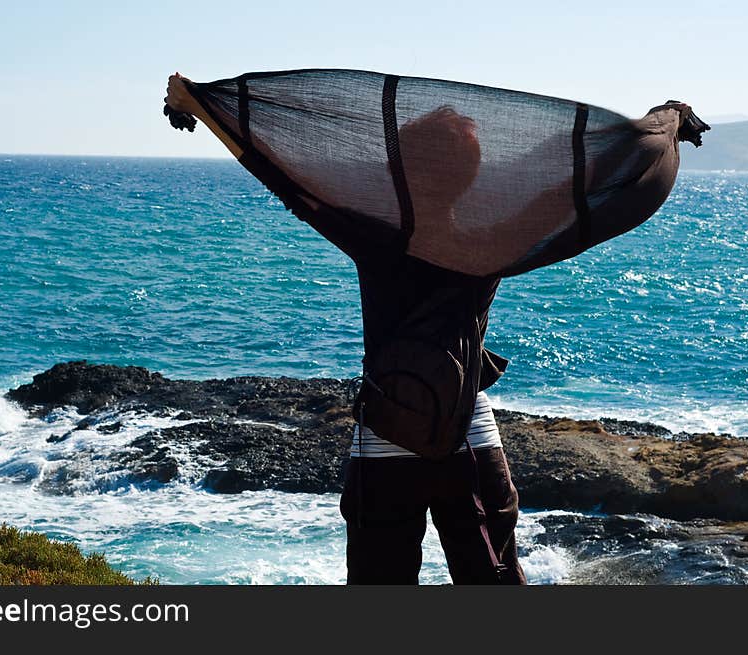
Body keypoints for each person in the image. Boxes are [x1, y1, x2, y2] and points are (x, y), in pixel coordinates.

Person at [165, 72, 526, 585]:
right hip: (467, 436)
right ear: (469, 175)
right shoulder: (491, 240)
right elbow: (583, 197)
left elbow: (283, 178)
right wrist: (663, 129)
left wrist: (203, 108)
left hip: (383, 437)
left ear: (401, 168)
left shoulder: (374, 233)